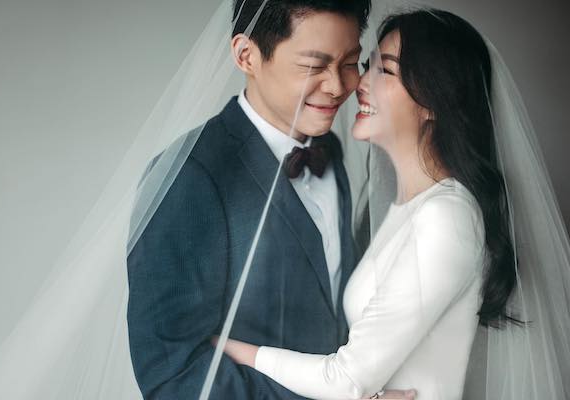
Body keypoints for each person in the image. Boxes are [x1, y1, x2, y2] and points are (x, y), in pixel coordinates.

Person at [216, 8, 569, 399]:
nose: (358, 83)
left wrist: (228, 349)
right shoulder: (404, 207)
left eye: (384, 70)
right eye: (366, 66)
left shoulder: (446, 218)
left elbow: (345, 380)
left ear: (434, 100)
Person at [126, 1, 391, 399]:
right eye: (313, 66)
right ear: (246, 55)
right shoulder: (189, 176)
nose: (338, 87)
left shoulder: (330, 151)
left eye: (350, 62)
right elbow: (173, 374)